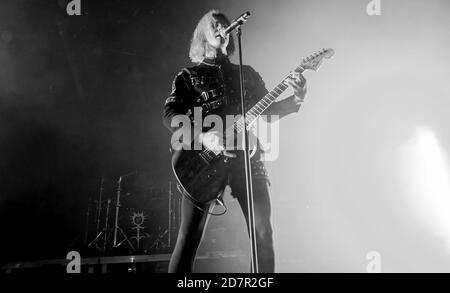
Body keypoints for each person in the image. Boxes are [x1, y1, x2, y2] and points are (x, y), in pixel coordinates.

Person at [163, 10, 307, 273]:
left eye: (224, 25)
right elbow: (171, 116)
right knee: (189, 237)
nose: (222, 28)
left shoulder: (247, 74)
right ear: (203, 35)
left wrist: (297, 99)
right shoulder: (188, 76)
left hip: (247, 158)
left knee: (263, 232)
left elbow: (269, 112)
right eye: (214, 25)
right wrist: (204, 136)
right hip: (202, 162)